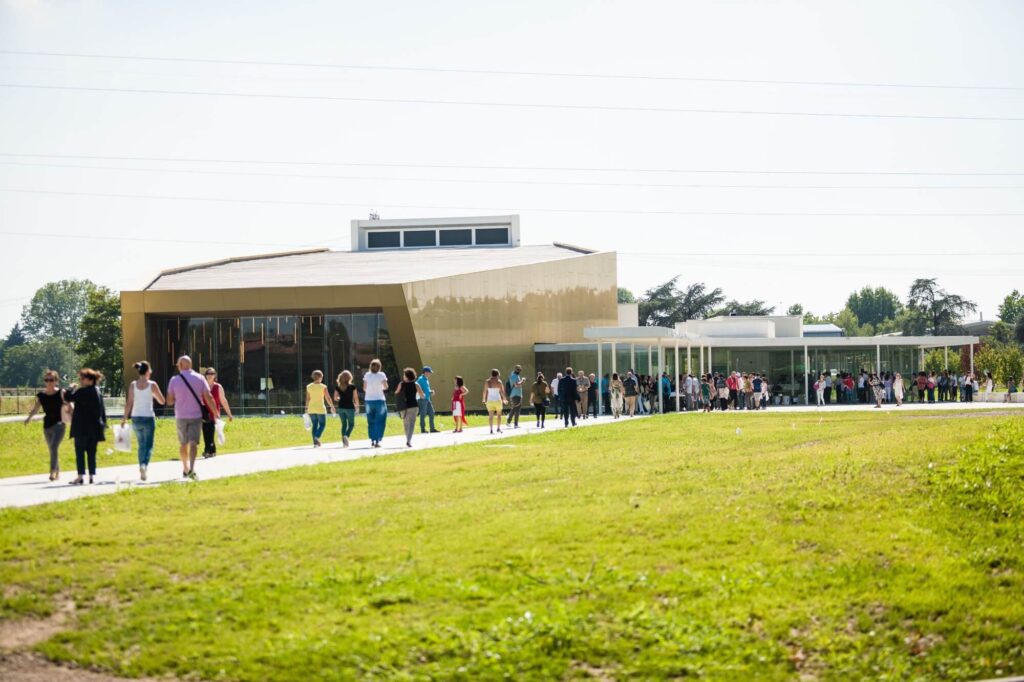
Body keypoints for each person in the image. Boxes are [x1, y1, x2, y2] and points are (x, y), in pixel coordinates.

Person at [166, 355, 217, 480]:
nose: (178, 367)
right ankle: (192, 469)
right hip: (196, 416)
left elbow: (169, 401)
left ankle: (185, 468)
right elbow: (208, 396)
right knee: (193, 443)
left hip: (181, 416)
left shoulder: (174, 380)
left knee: (183, 444)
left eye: (178, 365)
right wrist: (215, 412)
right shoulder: (200, 378)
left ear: (182, 365)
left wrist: (179, 397)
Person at [121, 361, 166, 481]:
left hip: (136, 417)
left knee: (141, 445)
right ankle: (144, 465)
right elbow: (162, 401)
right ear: (147, 371)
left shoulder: (133, 385)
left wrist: (124, 418)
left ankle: (141, 465)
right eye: (150, 369)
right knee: (149, 445)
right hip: (148, 417)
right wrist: (153, 396)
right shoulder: (152, 384)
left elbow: (129, 403)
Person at [64, 368, 107, 485]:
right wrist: (104, 424)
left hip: (81, 427)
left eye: (82, 378)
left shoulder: (82, 391)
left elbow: (68, 397)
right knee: (92, 453)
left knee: (80, 453)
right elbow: (102, 410)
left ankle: (80, 477)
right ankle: (92, 477)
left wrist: (71, 388)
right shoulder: (97, 391)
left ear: (89, 379)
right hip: (94, 428)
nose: (80, 380)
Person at [24, 369, 68, 481]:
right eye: (47, 380)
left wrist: (74, 417)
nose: (49, 382)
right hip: (47, 425)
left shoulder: (61, 393)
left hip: (60, 424)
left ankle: (52, 472)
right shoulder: (41, 395)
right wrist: (29, 418)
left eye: (51, 380)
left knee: (53, 447)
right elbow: (36, 408)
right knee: (52, 449)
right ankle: (57, 471)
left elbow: (69, 405)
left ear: (56, 381)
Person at [201, 367, 233, 458]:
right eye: (208, 373)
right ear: (205, 375)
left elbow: (223, 401)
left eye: (212, 373)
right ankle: (212, 451)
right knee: (205, 432)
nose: (210, 375)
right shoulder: (202, 387)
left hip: (214, 413)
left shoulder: (218, 387)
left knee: (210, 433)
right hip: (204, 413)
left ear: (215, 375)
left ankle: (207, 451)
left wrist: (229, 414)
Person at [394, 367, 424, 447]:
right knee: (411, 424)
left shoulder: (401, 384)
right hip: (413, 406)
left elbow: (396, 392)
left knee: (406, 424)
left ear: (407, 376)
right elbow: (422, 396)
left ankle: (408, 439)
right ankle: (409, 440)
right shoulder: (416, 385)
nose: (403, 376)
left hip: (403, 406)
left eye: (404, 375)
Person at [363, 359, 389, 448]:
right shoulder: (381, 375)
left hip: (368, 400)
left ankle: (372, 440)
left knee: (371, 421)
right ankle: (377, 440)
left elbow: (364, 388)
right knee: (380, 420)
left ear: (370, 366)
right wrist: (380, 387)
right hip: (379, 400)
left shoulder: (367, 375)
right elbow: (386, 387)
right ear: (379, 367)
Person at [306, 370, 335, 448]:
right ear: (320, 377)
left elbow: (308, 399)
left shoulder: (309, 386)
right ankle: (317, 437)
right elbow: (328, 398)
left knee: (314, 425)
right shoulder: (323, 386)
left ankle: (315, 443)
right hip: (320, 409)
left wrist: (306, 408)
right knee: (322, 424)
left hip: (311, 409)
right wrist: (332, 406)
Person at [333, 370, 360, 447]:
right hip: (350, 408)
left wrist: (339, 398)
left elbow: (335, 398)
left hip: (341, 407)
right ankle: (346, 436)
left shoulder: (338, 387)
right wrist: (357, 407)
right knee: (351, 424)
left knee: (344, 425)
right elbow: (356, 398)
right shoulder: (352, 387)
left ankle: (344, 443)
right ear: (350, 377)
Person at [416, 367, 440, 434]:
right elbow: (416, 385)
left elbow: (426, 389)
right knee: (423, 414)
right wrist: (421, 394)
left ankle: (432, 429)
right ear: (425, 372)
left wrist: (430, 391)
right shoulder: (420, 379)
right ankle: (423, 429)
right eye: (429, 372)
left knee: (432, 413)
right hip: (422, 399)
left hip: (428, 399)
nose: (430, 374)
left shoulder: (426, 379)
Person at [483, 369, 508, 434]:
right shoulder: (499, 382)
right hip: (498, 400)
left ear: (491, 374)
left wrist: (483, 399)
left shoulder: (487, 381)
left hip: (490, 400)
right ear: (498, 374)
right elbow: (502, 392)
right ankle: (498, 428)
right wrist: (504, 399)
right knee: (499, 415)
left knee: (490, 416)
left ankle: (491, 429)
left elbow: (485, 391)